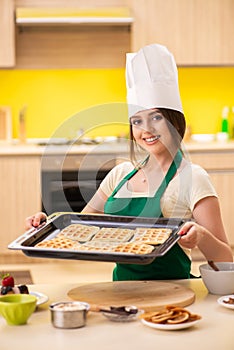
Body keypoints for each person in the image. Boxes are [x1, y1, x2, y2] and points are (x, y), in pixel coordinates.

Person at [26, 44, 233, 280]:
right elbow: (79, 230)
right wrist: (45, 226)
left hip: (174, 293)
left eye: (156, 117)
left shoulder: (193, 178)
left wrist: (202, 236)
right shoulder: (120, 174)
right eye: (137, 121)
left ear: (174, 121)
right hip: (120, 292)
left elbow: (226, 260)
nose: (147, 130)